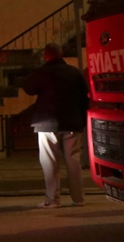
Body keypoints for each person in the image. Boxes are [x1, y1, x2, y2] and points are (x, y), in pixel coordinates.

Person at [22, 41, 89, 208]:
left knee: (50, 162)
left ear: (46, 55)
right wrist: (81, 121)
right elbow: (84, 99)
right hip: (73, 123)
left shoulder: (43, 73)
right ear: (61, 54)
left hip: (47, 123)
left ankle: (52, 200)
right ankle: (78, 198)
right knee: (73, 160)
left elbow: (28, 87)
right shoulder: (74, 73)